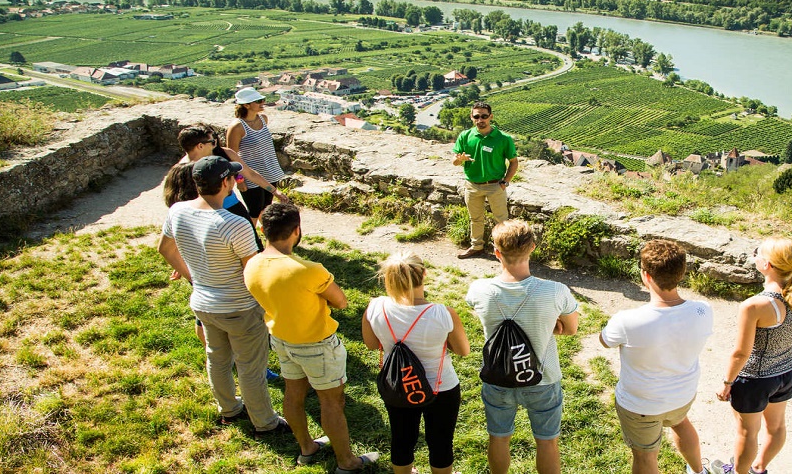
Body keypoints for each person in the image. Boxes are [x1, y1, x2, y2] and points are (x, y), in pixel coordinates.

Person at [157, 155, 288, 437]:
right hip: (239, 306)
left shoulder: (177, 211)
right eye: (232, 177)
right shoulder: (234, 224)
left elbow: (165, 249)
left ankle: (228, 409)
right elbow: (253, 273)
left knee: (216, 359)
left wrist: (195, 279)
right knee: (251, 368)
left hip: (204, 302)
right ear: (227, 182)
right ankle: (265, 423)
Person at [243, 203, 378, 472]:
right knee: (332, 402)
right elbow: (341, 302)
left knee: (294, 395)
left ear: (261, 228)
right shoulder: (309, 269)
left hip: (281, 339)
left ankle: (307, 447)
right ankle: (347, 462)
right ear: (296, 231)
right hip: (317, 344)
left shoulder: (251, 264)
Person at [465, 220, 578, 474]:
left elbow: (481, 315)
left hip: (497, 377)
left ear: (496, 252)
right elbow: (571, 329)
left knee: (498, 437)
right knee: (547, 441)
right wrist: (549, 323)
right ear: (533, 248)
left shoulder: (479, 289)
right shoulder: (555, 291)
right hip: (543, 379)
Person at [600, 240, 713, 474]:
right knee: (681, 424)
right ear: (681, 273)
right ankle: (698, 471)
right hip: (682, 396)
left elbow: (605, 341)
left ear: (646, 276)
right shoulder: (703, 310)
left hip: (641, 404)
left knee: (645, 456)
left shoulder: (627, 320)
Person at [710, 238, 792, 474]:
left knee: (747, 432)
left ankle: (739, 472)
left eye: (757, 253)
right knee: (776, 428)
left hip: (754, 379)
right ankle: (759, 468)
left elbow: (741, 353)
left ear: (767, 265)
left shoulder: (755, 305)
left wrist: (727, 383)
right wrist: (787, 364)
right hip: (786, 373)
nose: (754, 255)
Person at [363, 252, 471, 474]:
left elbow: (372, 344)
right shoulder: (443, 313)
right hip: (441, 387)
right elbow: (463, 351)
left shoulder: (375, 307)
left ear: (388, 278)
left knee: (401, 438)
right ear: (424, 274)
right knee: (441, 441)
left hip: (398, 385)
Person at [176, 123, 290, 250]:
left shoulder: (225, 154)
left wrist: (274, 191)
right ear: (200, 146)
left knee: (253, 243)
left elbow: (250, 173)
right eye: (212, 141)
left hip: (232, 205)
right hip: (205, 214)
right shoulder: (183, 170)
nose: (216, 143)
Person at [451, 101, 518, 259]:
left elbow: (514, 162)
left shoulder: (503, 138)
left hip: (495, 185)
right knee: (475, 218)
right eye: (476, 116)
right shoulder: (465, 136)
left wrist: (505, 182)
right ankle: (477, 247)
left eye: (484, 116)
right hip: (472, 185)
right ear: (472, 117)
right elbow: (454, 161)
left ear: (491, 117)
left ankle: (503, 250)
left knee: (501, 221)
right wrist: (459, 159)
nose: (480, 120)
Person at [227, 87, 287, 223]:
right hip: (249, 175)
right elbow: (232, 156)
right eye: (258, 101)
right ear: (246, 105)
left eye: (262, 100)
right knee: (254, 210)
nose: (262, 103)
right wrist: (239, 179)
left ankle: (266, 235)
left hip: (268, 171)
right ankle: (250, 240)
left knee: (265, 208)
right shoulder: (237, 127)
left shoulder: (263, 119)